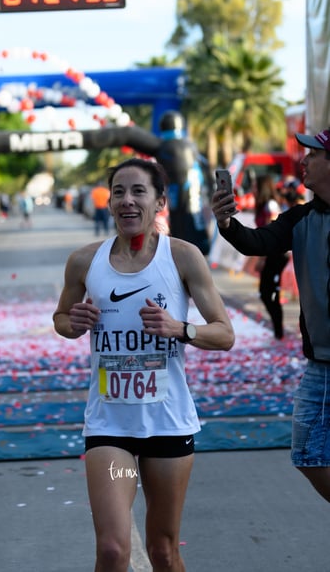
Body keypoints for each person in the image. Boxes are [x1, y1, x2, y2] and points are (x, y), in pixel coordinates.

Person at [53, 157, 235, 571]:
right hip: (110, 429)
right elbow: (62, 319)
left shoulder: (183, 257)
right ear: (110, 202)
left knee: (163, 552)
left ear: (160, 202)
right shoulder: (84, 261)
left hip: (167, 429)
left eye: (139, 192)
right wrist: (72, 322)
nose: (127, 201)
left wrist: (179, 329)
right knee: (114, 550)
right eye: (119, 192)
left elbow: (224, 334)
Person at [211, 128, 330, 503]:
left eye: (312, 155)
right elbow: (256, 242)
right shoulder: (300, 218)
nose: (303, 161)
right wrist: (227, 223)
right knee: (307, 454)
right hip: (320, 365)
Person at [253, 174, 289, 339]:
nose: (253, 190)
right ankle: (278, 331)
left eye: (255, 186)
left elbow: (272, 233)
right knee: (266, 293)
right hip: (270, 256)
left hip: (275, 256)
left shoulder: (270, 205)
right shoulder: (263, 206)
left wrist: (262, 258)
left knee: (269, 293)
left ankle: (279, 332)